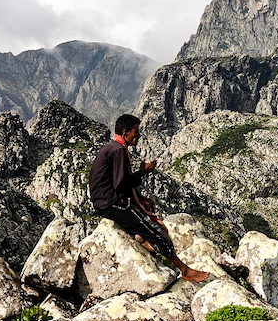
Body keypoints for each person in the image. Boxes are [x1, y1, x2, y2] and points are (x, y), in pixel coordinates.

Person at [89, 114, 209, 282]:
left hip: (107, 200)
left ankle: (140, 238)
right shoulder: (118, 150)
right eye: (135, 131)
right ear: (125, 132)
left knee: (146, 216)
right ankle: (185, 270)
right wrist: (142, 172)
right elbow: (121, 185)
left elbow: (120, 182)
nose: (138, 135)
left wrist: (141, 198)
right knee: (156, 231)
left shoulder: (114, 147)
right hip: (111, 203)